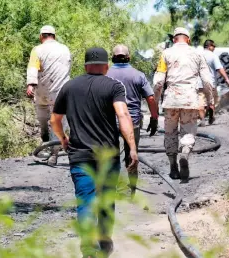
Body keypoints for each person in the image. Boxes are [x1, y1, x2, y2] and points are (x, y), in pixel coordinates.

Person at [50, 47, 138, 258]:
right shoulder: (114, 87)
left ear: (85, 66)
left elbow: (54, 120)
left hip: (80, 156)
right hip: (108, 157)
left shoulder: (69, 87)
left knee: (85, 201)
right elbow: (123, 115)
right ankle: (105, 243)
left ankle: (88, 249)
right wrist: (132, 148)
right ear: (106, 67)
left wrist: (63, 139)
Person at [153, 27, 214, 181]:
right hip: (190, 99)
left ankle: (173, 167)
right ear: (188, 39)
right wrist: (210, 101)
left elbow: (159, 81)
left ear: (174, 39)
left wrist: (155, 102)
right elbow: (207, 81)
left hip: (171, 99)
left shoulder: (166, 53)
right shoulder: (197, 53)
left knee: (170, 132)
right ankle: (185, 153)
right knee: (188, 131)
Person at [106, 44, 159, 197]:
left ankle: (112, 188)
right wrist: (154, 118)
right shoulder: (138, 75)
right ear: (128, 57)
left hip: (109, 122)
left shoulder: (105, 74)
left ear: (113, 58)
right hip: (133, 122)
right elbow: (150, 98)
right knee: (132, 154)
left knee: (111, 155)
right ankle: (132, 190)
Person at [26, 25, 71, 165]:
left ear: (41, 36)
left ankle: (46, 142)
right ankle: (54, 152)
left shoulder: (37, 49)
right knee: (57, 123)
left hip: (42, 92)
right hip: (61, 92)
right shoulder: (65, 49)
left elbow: (33, 67)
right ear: (54, 36)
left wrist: (30, 84)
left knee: (43, 120)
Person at [197, 39, 229, 126]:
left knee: (200, 101)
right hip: (210, 82)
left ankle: (202, 119)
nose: (214, 48)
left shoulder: (197, 55)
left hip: (199, 83)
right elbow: (219, 68)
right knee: (213, 100)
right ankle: (211, 114)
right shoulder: (213, 56)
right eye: (214, 46)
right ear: (210, 46)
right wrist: (227, 79)